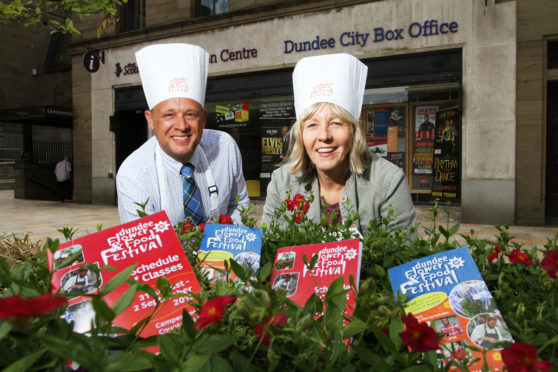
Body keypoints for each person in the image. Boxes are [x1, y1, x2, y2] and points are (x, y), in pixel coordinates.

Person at [262, 53, 416, 235]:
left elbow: (404, 254)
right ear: (301, 135)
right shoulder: (281, 183)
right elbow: (270, 250)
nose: (324, 135)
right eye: (312, 125)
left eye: (336, 123)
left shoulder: (388, 181)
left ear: (353, 131)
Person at [116, 44, 249, 226]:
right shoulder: (133, 175)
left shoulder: (225, 147)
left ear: (203, 118)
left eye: (190, 114)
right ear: (150, 120)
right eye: (168, 115)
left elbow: (239, 205)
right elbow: (148, 250)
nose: (181, 126)